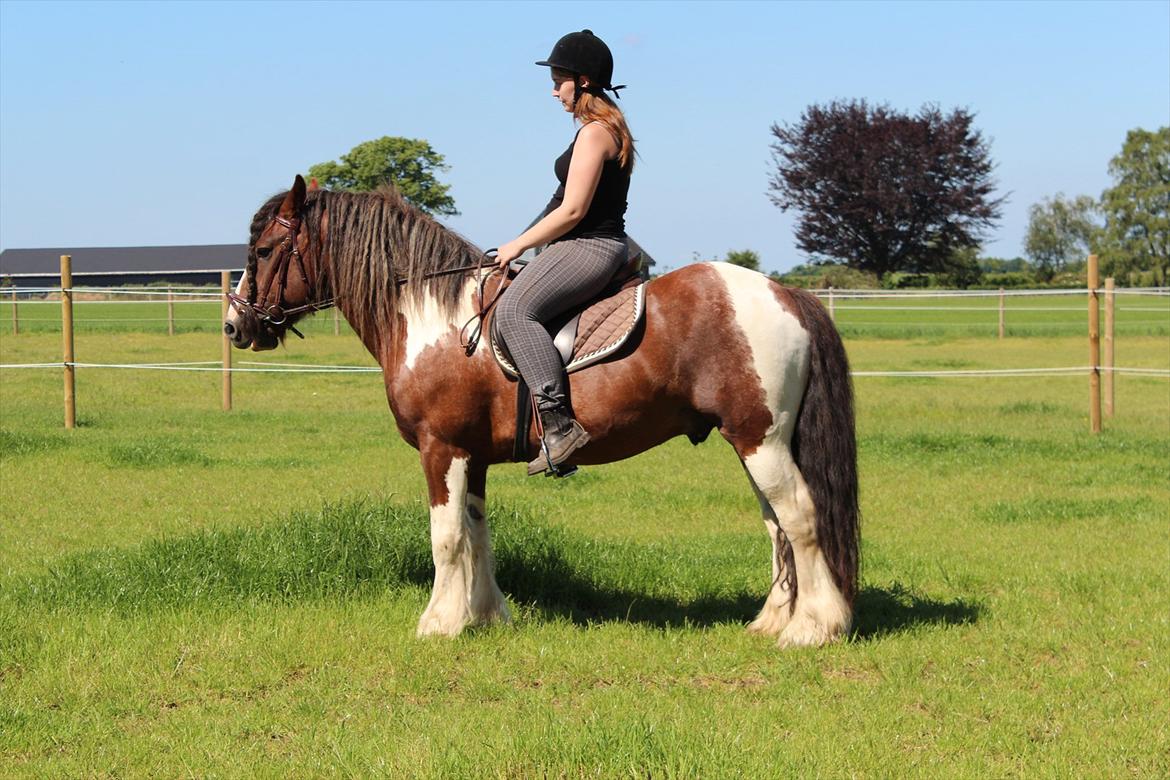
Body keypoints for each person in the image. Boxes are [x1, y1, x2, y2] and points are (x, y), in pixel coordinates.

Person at [494, 29, 635, 477]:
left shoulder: (596, 134)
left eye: (560, 80)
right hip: (578, 244)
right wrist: (515, 245)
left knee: (513, 312)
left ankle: (558, 426)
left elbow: (573, 211)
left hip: (592, 245)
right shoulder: (593, 132)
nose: (554, 90)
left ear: (585, 81)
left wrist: (520, 244)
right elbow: (558, 202)